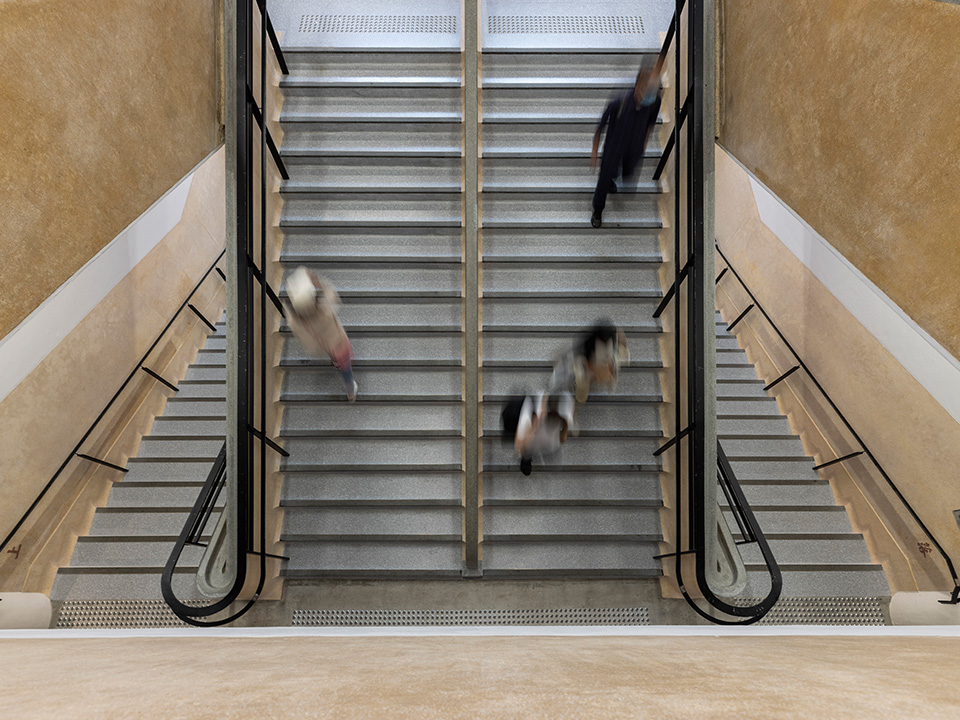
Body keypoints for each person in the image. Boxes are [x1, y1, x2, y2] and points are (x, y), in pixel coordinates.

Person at [589, 57, 664, 229]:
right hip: (614, 148)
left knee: (628, 173)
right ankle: (597, 210)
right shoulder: (619, 102)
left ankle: (611, 180)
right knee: (604, 178)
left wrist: (644, 141)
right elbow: (601, 126)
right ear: (637, 86)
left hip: (634, 148)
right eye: (647, 91)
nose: (650, 95)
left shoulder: (654, 103)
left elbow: (650, 122)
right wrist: (595, 152)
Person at [284, 266, 358, 402]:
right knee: (345, 365)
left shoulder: (296, 320)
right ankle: (350, 390)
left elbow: (293, 323)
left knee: (335, 356)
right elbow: (331, 294)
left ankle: (336, 362)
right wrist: (316, 281)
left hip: (320, 345)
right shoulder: (324, 311)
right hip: (338, 343)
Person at [551, 321, 630, 403]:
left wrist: (610, 365)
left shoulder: (613, 337)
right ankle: (580, 395)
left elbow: (616, 350)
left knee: (612, 364)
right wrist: (595, 371)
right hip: (588, 363)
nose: (606, 340)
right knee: (582, 379)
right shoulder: (587, 342)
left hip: (603, 361)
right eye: (604, 339)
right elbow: (581, 358)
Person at [501, 392, 575, 476]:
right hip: (529, 420)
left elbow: (563, 438)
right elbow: (520, 444)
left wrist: (563, 425)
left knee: (540, 444)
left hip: (540, 426)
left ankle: (530, 454)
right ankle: (526, 458)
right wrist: (537, 421)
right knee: (526, 446)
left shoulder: (565, 405)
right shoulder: (530, 411)